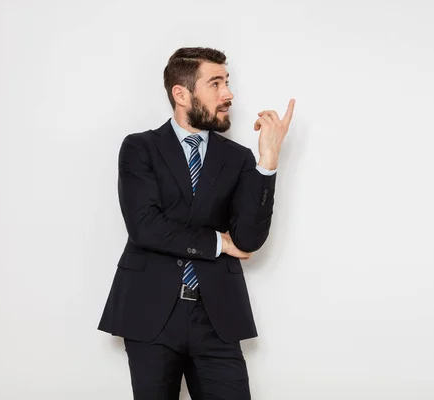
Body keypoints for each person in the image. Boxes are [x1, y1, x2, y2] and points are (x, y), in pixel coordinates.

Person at [97, 46, 295, 399]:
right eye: (215, 83)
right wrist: (218, 242)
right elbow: (144, 226)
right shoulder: (140, 148)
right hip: (150, 312)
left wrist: (267, 161)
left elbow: (248, 240)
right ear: (181, 93)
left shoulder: (237, 158)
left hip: (216, 316)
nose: (228, 94)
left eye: (227, 82)